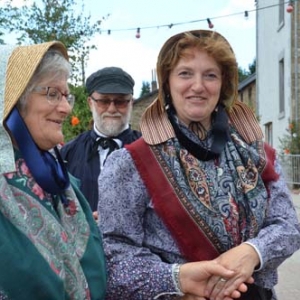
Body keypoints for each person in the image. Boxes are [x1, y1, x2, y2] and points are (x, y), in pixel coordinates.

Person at [97, 29, 300, 300]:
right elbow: (114, 256)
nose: (198, 86)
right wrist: (178, 280)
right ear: (166, 83)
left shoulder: (254, 153)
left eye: (210, 75)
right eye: (185, 74)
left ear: (223, 85)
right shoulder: (130, 164)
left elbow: (287, 224)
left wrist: (253, 251)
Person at [0, 41, 106, 300]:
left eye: (66, 95)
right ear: (13, 99)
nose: (67, 107)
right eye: (52, 94)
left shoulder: (59, 180)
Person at [60, 67, 141, 217]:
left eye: (120, 101)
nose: (112, 109)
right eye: (103, 101)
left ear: (131, 103)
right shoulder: (67, 154)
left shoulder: (150, 152)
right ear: (90, 103)